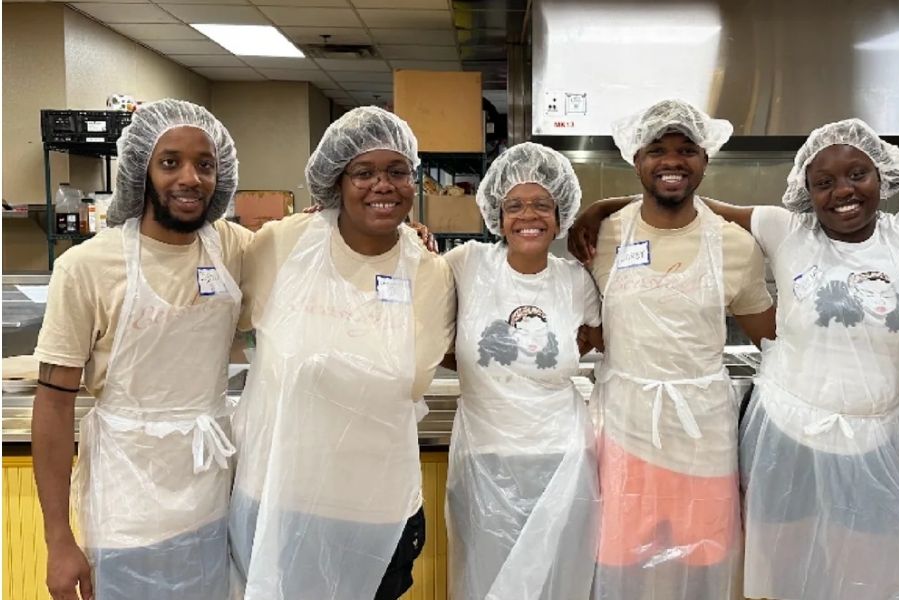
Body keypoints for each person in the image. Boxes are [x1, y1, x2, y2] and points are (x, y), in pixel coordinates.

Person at [570, 118, 899, 600]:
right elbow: (688, 201)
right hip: (785, 437)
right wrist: (602, 208)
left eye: (857, 175)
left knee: (868, 578)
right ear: (806, 190)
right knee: (784, 576)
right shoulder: (784, 227)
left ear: (881, 177)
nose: (843, 191)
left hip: (875, 442)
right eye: (824, 182)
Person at [228, 106, 455, 600]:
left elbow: (413, 381)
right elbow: (225, 313)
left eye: (397, 171)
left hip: (376, 508)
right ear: (336, 180)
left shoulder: (429, 272)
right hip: (279, 499)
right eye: (363, 172)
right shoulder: (284, 245)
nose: (382, 185)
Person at [31, 98, 250, 600]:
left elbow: (306, 245)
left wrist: (405, 239)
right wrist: (58, 539)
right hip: (127, 505)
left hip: (213, 496)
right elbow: (54, 405)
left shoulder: (232, 248)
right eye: (170, 162)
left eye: (205, 164)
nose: (190, 178)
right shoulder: (87, 267)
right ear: (140, 171)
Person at [584, 99, 777, 600]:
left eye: (686, 149)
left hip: (703, 440)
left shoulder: (735, 246)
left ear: (705, 159)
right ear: (636, 159)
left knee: (703, 568)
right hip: (625, 434)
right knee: (623, 571)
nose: (672, 160)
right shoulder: (601, 234)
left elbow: (774, 341)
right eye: (657, 150)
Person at [442, 141, 603, 600]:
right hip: (485, 458)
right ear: (497, 215)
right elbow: (415, 292)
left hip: (563, 460)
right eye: (514, 205)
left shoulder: (575, 280)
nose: (528, 216)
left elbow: (600, 338)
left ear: (559, 214)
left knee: (557, 585)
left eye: (541, 205)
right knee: (488, 583)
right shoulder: (467, 264)